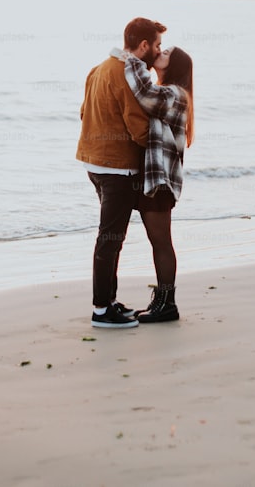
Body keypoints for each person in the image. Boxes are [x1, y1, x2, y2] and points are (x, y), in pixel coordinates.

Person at [75, 17, 165, 328]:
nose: (158, 50)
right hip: (117, 169)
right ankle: (101, 309)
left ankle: (109, 300)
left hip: (94, 163)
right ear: (143, 46)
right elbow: (138, 128)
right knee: (110, 239)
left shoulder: (99, 67)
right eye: (157, 45)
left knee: (110, 237)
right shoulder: (130, 73)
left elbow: (84, 112)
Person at [120, 44, 194, 323]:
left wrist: (132, 61)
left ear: (173, 65)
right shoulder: (172, 92)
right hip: (157, 179)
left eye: (165, 54)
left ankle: (168, 304)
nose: (159, 54)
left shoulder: (175, 94)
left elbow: (144, 94)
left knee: (162, 242)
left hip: (161, 181)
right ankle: (163, 301)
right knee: (158, 242)